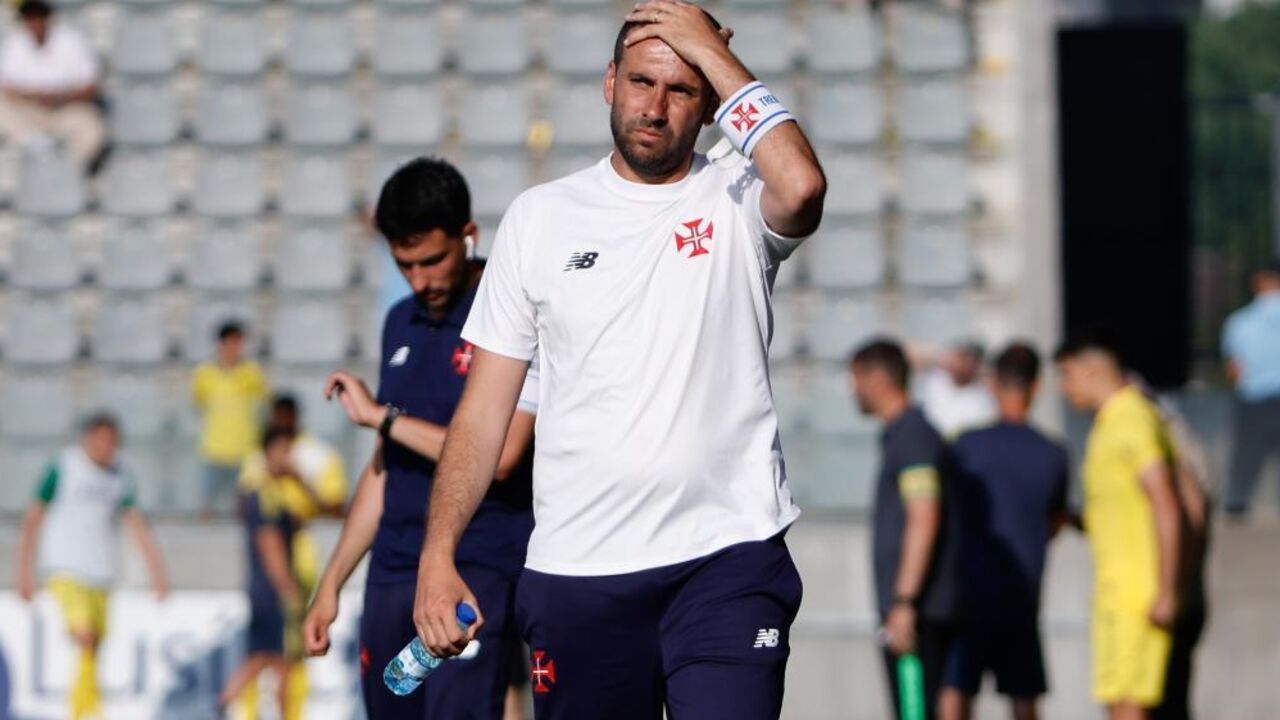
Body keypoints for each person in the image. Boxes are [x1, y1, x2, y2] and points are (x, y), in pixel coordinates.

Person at [412, 2, 825, 717]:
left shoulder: (737, 197)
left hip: (725, 562)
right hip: (579, 576)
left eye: (681, 89)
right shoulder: (540, 219)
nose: (656, 107)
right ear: (609, 82)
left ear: (709, 103)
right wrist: (437, 552)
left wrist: (714, 55)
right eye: (640, 82)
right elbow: (483, 413)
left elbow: (804, 186)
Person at [301, 157, 540, 720]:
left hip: (475, 562)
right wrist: (332, 582)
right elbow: (385, 468)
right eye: (404, 264)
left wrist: (382, 418)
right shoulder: (398, 321)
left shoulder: (507, 313)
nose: (420, 280)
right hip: (392, 572)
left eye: (431, 260)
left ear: (468, 236)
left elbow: (503, 456)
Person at [937, 343, 1070, 720]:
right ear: (1037, 386)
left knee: (956, 692)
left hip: (967, 593)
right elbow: (1054, 522)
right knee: (1024, 698)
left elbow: (942, 511)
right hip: (1022, 596)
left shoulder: (964, 445)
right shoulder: (1054, 452)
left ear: (993, 384)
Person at [1055, 335, 1182, 720]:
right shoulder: (1106, 425)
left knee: (1130, 706)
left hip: (1137, 594)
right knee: (1116, 703)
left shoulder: (1132, 418)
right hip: (1112, 592)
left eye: (1067, 375)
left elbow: (1166, 503)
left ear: (1093, 369)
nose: (1063, 388)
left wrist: (1166, 589)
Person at [14, 413, 169, 720]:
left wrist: (158, 574)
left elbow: (136, 524)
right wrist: (23, 571)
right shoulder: (64, 467)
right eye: (99, 440)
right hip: (64, 567)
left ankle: (84, 707)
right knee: (84, 635)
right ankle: (86, 713)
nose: (105, 448)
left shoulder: (120, 474)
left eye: (111, 442)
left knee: (94, 646)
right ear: (86, 439)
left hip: (100, 571)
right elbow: (34, 517)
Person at [850, 339, 960, 720]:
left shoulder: (912, 435)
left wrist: (904, 602)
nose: (853, 390)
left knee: (914, 714)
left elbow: (923, 515)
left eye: (857, 379)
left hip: (917, 613)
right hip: (913, 609)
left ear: (878, 380)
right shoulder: (903, 433)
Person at [222, 397, 348, 720]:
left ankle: (231, 706)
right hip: (277, 582)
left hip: (292, 570)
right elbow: (268, 540)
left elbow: (333, 508)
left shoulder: (311, 460)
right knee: (278, 658)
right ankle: (226, 706)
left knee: (277, 657)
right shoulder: (263, 490)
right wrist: (285, 586)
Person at [0, 0, 104, 168]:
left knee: (92, 129)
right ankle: (34, 145)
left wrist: (60, 97)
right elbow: (6, 88)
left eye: (39, 16)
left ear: (49, 17)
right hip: (30, 110)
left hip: (66, 108)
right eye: (30, 17)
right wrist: (35, 96)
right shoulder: (14, 43)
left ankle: (67, 171)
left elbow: (90, 87)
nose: (35, 22)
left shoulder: (71, 41)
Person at [1219, 259, 1280, 518]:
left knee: (1247, 456)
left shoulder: (1239, 322)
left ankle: (1237, 503)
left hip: (1255, 399)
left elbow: (1235, 368)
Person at [191, 321, 270, 518]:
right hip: (214, 449)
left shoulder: (252, 372)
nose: (238, 348)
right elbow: (198, 404)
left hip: (245, 450)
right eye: (234, 342)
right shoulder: (204, 374)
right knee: (207, 509)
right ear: (222, 343)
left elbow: (264, 404)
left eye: (240, 343)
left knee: (243, 511)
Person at [915, 341, 997, 439]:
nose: (960, 365)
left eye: (967, 361)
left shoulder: (984, 402)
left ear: (976, 366)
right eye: (959, 358)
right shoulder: (935, 380)